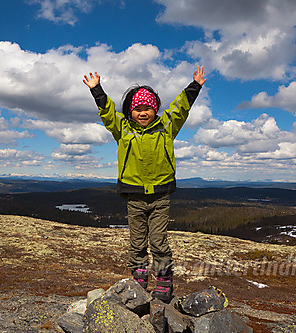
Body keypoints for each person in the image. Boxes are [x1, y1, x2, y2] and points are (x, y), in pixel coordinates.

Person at [83, 66, 207, 302]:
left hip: (160, 196)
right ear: (130, 111)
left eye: (148, 108)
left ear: (155, 109)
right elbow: (108, 113)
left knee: (159, 240)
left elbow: (181, 108)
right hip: (135, 196)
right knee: (137, 242)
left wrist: (195, 86)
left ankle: (163, 280)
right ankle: (139, 278)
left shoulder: (166, 127)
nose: (143, 112)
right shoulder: (123, 130)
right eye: (137, 108)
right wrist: (97, 90)